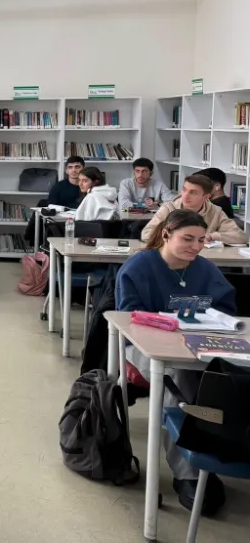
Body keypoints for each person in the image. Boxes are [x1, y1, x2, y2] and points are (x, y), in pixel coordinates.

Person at [116, 209, 237, 515]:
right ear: (166, 234)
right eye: (188, 239)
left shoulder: (205, 268)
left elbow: (226, 308)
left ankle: (217, 454)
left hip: (198, 348)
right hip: (145, 350)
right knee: (178, 379)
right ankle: (189, 473)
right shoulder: (139, 266)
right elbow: (128, 318)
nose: (195, 247)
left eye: (201, 240)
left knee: (226, 380)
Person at [140, 174, 247, 244]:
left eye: (193, 193)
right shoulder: (168, 208)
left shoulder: (215, 211)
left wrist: (212, 236)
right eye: (184, 190)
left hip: (203, 259)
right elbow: (146, 234)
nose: (185, 195)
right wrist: (182, 238)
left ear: (206, 197)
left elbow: (241, 237)